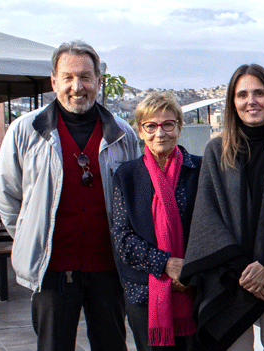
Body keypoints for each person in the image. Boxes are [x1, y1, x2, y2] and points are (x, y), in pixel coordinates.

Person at [0, 40, 140, 351]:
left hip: (108, 268)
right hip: (52, 270)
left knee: (112, 346)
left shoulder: (123, 135)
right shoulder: (25, 131)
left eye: (86, 77)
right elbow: (6, 195)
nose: (77, 87)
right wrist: (31, 236)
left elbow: (135, 196)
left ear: (98, 81)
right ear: (54, 81)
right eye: (68, 77)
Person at [180, 64, 264, 351]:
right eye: (242, 95)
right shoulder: (217, 151)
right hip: (232, 278)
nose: (251, 101)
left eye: (259, 93)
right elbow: (207, 217)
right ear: (232, 102)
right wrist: (245, 269)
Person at [110, 92, 201, 350]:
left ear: (179, 127)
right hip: (145, 293)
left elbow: (210, 227)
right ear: (140, 131)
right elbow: (122, 237)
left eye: (168, 124)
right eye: (150, 126)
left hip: (194, 287)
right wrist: (166, 264)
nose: (159, 133)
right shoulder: (127, 176)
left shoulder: (200, 170)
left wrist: (188, 269)